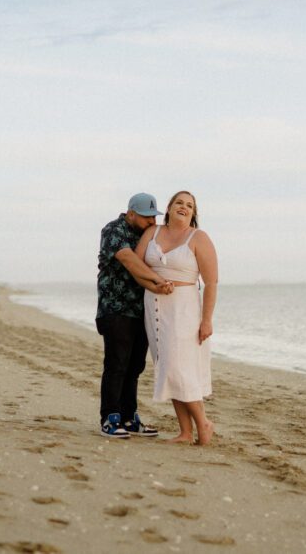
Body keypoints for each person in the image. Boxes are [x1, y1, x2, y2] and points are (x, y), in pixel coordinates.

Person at [134, 190, 218, 445]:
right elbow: (137, 266)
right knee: (167, 368)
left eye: (190, 205)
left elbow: (212, 282)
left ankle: (203, 423)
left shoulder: (198, 238)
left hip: (184, 308)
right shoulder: (153, 233)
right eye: (179, 203)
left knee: (179, 368)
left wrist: (206, 320)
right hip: (155, 306)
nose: (184, 207)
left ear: (193, 214)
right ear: (168, 208)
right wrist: (152, 285)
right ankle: (185, 431)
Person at [96, 193, 174, 439]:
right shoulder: (113, 229)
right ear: (131, 213)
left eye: (154, 217)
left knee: (135, 367)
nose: (152, 222)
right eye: (146, 217)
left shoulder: (148, 234)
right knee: (117, 364)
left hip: (143, 310)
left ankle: (130, 418)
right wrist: (158, 280)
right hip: (115, 309)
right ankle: (110, 418)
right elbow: (129, 259)